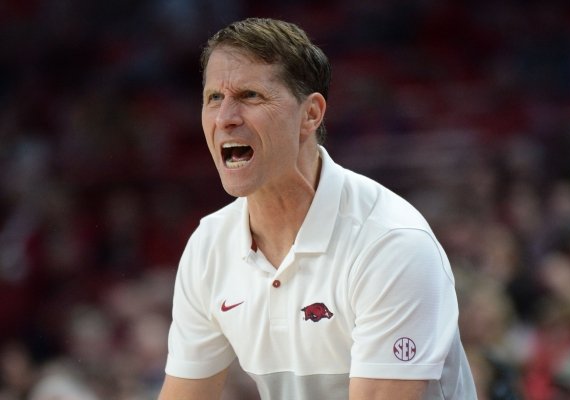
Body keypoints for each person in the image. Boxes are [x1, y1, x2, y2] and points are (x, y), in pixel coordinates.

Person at [158, 17, 476, 400]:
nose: (225, 118)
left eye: (250, 96)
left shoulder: (391, 242)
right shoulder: (208, 246)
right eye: (213, 98)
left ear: (310, 115)